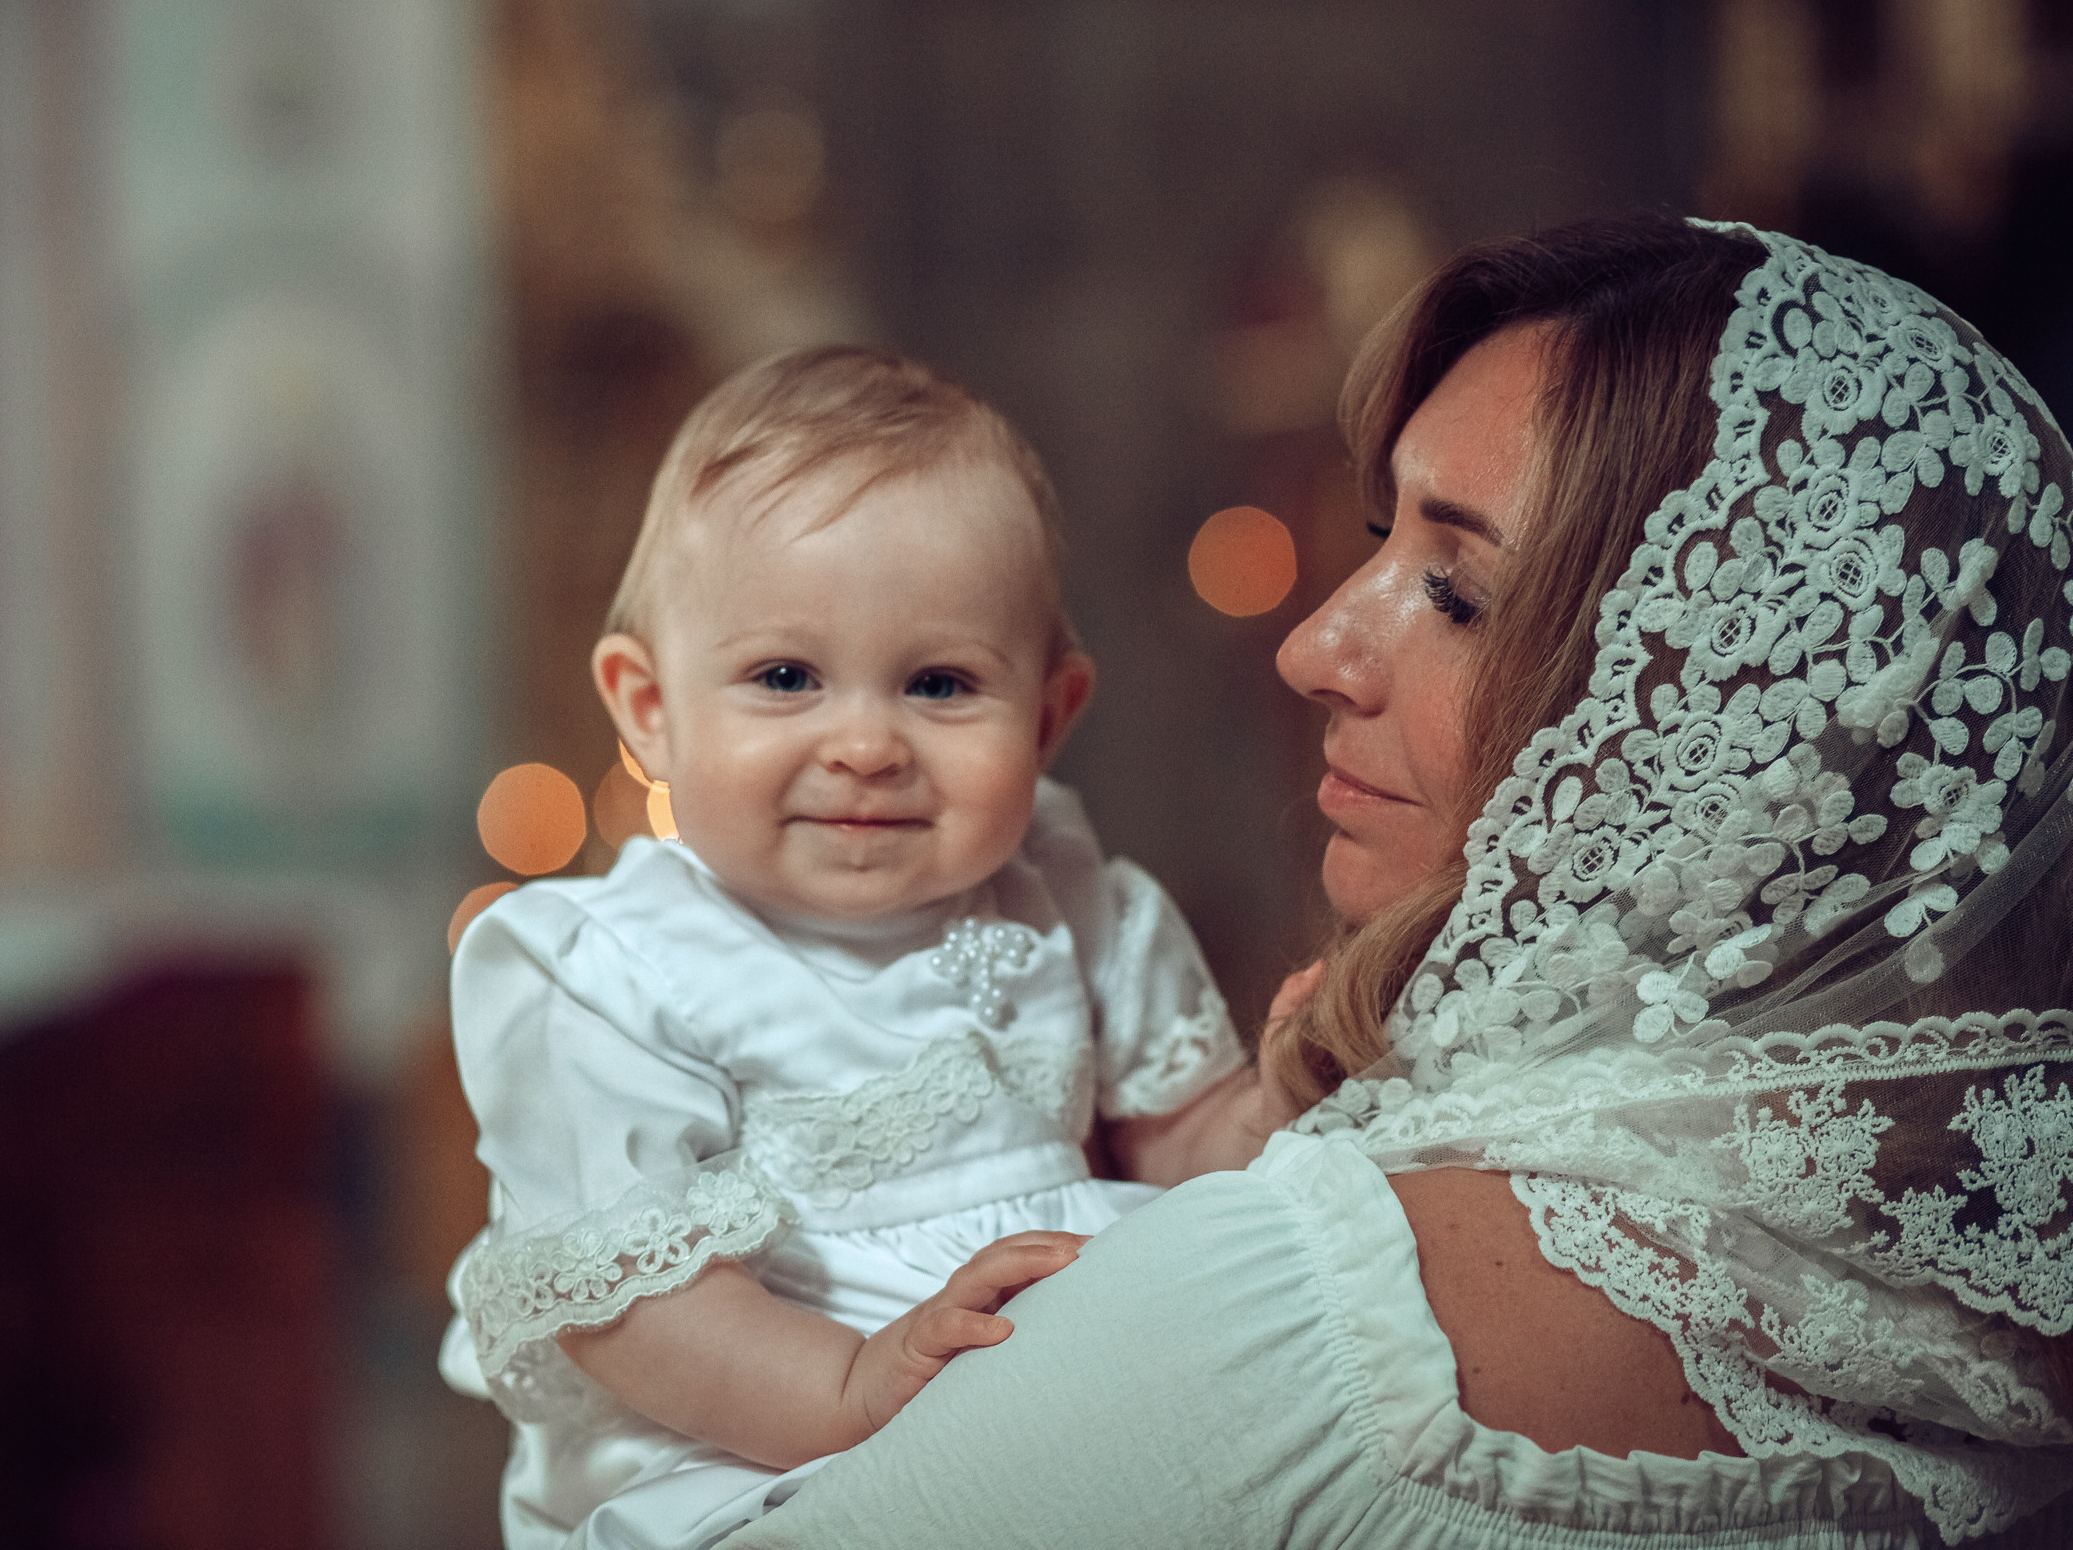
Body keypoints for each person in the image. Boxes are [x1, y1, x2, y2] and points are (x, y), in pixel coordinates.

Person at [722, 216, 2073, 1548]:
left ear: (1735, 734)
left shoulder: (1300, 1332)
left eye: (1463, 595)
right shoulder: (2001, 1354)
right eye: (1383, 542)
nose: (1316, 643)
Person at [439, 347, 1282, 1549]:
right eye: (786, 677)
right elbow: (633, 1302)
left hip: (1065, 1384)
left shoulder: (1069, 890)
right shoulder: (603, 966)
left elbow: (1183, 1131)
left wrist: (1288, 1106)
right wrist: (853, 1384)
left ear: (1047, 719)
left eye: (939, 685)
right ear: (650, 709)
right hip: (755, 1443)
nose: (867, 744)